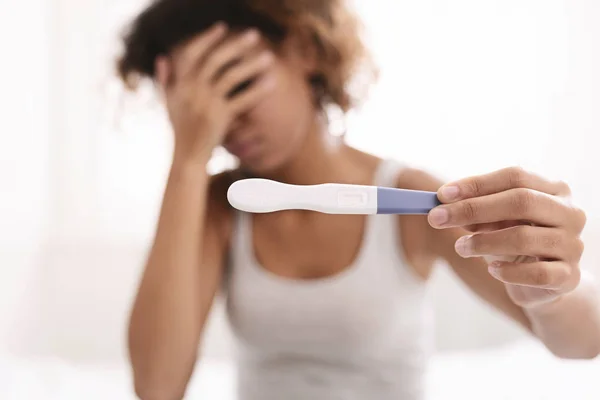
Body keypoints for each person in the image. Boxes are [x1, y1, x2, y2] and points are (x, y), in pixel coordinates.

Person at [117, 1, 600, 399]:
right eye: (197, 108)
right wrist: (186, 161)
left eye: (238, 85)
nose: (225, 122)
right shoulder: (217, 210)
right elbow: (157, 387)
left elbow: (585, 340)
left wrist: (549, 292)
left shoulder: (413, 199)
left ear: (306, 50)